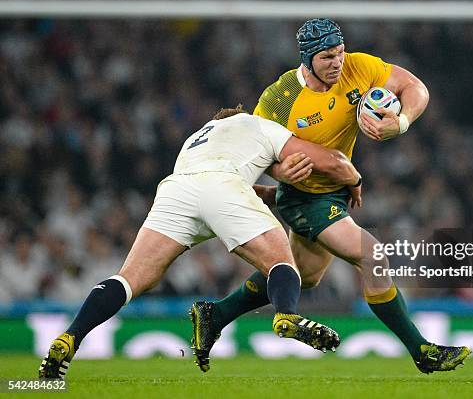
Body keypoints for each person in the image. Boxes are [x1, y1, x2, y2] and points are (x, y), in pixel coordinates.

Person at [201, 19, 471, 374]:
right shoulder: (279, 99)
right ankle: (422, 351)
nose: (337, 63)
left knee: (301, 276)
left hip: (335, 192)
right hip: (304, 198)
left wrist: (401, 122)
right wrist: (281, 173)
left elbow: (413, 86)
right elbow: (258, 152)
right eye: (328, 57)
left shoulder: (358, 67)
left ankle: (214, 314)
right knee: (373, 255)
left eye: (340, 53)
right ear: (308, 59)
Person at [38, 105, 364, 379]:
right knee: (281, 261)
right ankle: (286, 315)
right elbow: (328, 161)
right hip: (223, 185)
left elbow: (224, 190)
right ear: (240, 115)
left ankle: (71, 336)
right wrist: (353, 179)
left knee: (129, 279)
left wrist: (275, 192)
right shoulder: (255, 124)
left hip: (176, 191)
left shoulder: (195, 139)